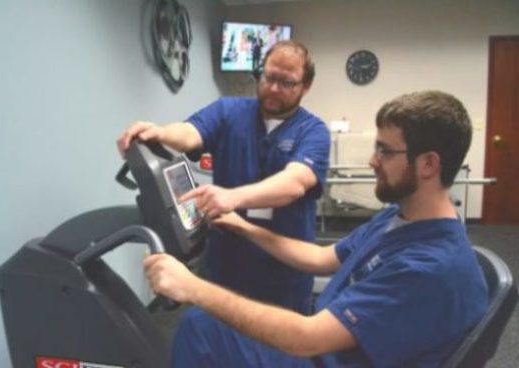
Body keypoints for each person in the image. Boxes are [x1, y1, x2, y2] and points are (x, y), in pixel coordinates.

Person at [144, 90, 489, 367]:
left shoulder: (429, 268)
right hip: (328, 343)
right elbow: (321, 257)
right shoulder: (399, 218)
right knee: (209, 324)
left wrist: (191, 287)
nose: (372, 161)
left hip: (321, 350)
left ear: (428, 164)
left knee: (199, 328)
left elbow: (307, 337)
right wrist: (240, 226)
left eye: (384, 151)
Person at [118, 40, 330, 313]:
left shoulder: (313, 131)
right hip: (226, 267)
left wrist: (232, 197)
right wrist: (160, 132)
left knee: (278, 350)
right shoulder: (229, 112)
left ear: (306, 86)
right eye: (268, 76)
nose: (274, 88)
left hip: (283, 273)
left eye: (287, 82)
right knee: (217, 342)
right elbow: (190, 132)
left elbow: (296, 182)